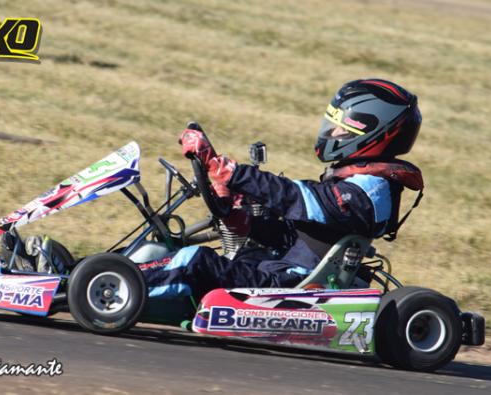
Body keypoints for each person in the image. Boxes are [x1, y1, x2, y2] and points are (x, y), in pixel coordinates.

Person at [140, 79, 424, 302]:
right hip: (281, 269)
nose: (333, 134)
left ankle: (120, 288)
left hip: (293, 286)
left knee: (196, 261)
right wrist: (250, 223)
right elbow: (299, 237)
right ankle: (117, 275)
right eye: (333, 125)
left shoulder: (368, 194)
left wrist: (231, 172)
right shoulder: (356, 181)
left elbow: (295, 197)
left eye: (341, 129)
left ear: (374, 135)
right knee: (184, 252)